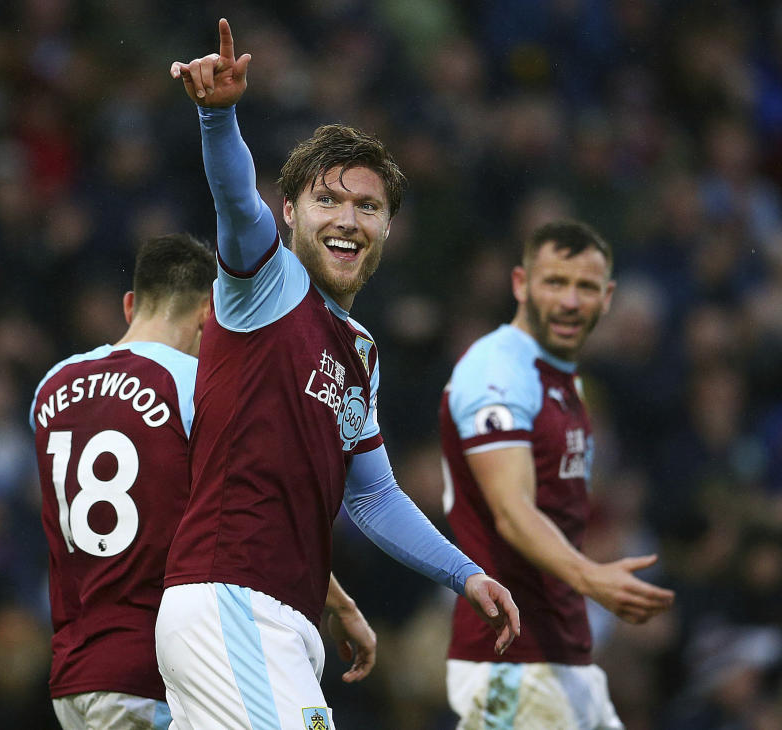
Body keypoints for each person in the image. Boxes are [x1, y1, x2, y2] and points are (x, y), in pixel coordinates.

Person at [156, 19, 519, 730]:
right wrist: (218, 114)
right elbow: (234, 197)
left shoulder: (358, 351)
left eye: (368, 206)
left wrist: (466, 573)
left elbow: (374, 497)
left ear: (388, 228)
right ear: (290, 213)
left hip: (281, 620)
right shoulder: (267, 283)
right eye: (328, 200)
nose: (348, 218)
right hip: (233, 600)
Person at [30, 234, 377, 730]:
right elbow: (252, 515)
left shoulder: (51, 387)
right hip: (155, 668)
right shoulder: (197, 387)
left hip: (75, 672)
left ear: (130, 305)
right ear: (212, 310)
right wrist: (340, 603)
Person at [439, 220, 676, 729]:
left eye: (585, 286)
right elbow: (510, 510)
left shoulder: (565, 381)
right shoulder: (498, 373)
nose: (570, 301)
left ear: (607, 296)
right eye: (554, 282)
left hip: (562, 656)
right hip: (511, 658)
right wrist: (592, 578)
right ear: (521, 284)